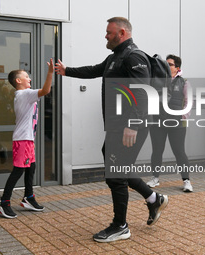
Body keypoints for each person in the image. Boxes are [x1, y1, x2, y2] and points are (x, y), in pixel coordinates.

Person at [55, 17, 168, 243]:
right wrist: (66, 70)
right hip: (118, 126)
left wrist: (132, 124)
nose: (105, 36)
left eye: (109, 32)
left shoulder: (134, 56)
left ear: (122, 33)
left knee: (115, 175)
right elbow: (94, 70)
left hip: (130, 127)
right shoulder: (115, 57)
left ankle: (120, 226)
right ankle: (153, 198)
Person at [0, 59, 54, 219]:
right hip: (22, 139)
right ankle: (4, 202)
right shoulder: (24, 94)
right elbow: (46, 90)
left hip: (27, 139)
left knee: (31, 167)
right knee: (19, 170)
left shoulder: (25, 95)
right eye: (26, 77)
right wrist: (50, 73)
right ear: (18, 81)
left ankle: (28, 197)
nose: (29, 79)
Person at [147, 54, 193, 192]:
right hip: (158, 122)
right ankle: (155, 178)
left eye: (170, 64)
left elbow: (189, 101)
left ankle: (186, 181)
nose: (166, 66)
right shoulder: (157, 80)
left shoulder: (184, 82)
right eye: (165, 64)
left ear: (177, 68)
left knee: (179, 151)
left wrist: (183, 116)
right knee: (157, 151)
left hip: (177, 123)